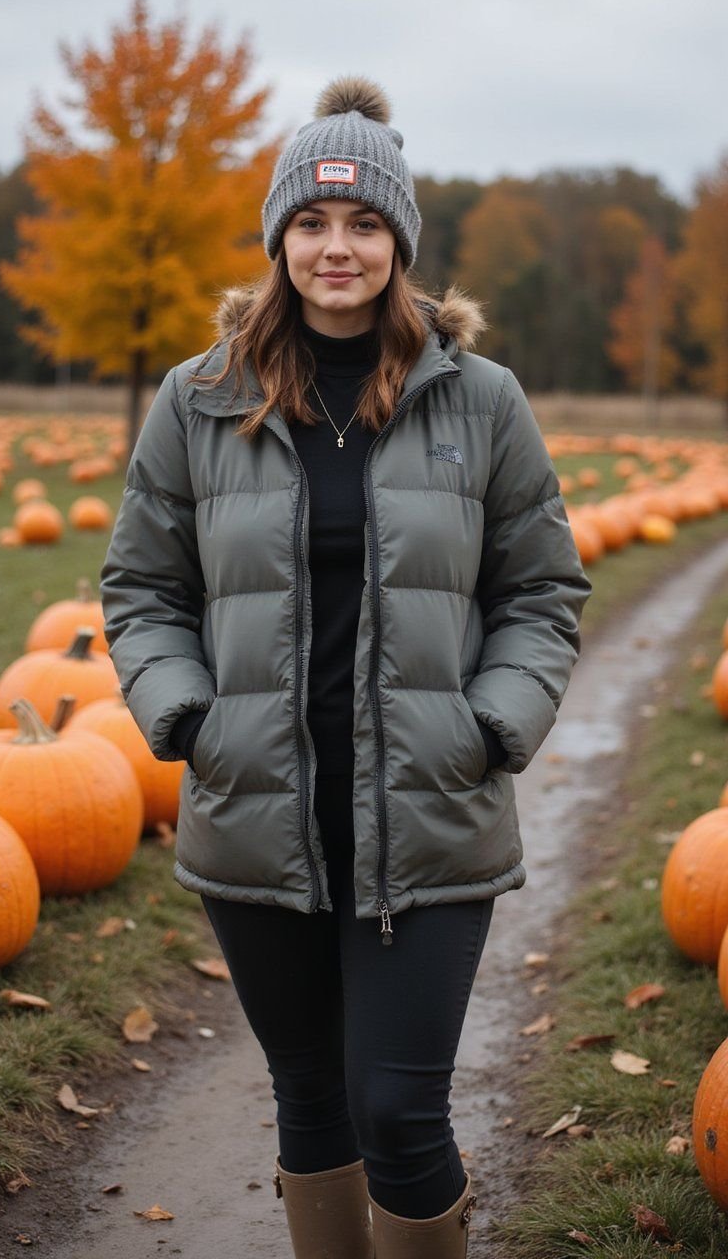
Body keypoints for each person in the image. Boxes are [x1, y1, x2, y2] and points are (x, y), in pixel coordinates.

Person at [100, 75, 592, 1258]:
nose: (338, 247)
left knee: (400, 1111)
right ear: (279, 236)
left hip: (428, 812)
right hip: (258, 811)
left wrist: (489, 724)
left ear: (401, 240)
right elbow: (143, 588)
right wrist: (187, 717)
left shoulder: (481, 404)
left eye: (366, 223)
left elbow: (541, 590)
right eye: (312, 223)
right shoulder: (198, 401)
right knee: (312, 1101)